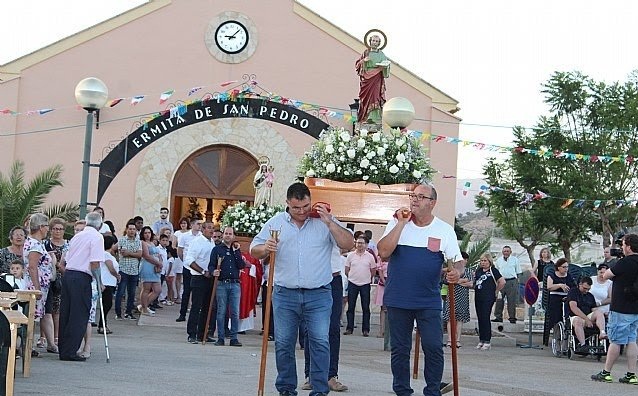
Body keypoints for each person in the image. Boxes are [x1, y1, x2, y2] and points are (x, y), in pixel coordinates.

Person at [250, 182, 354, 396]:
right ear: (287, 203)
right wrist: (266, 248)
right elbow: (254, 249)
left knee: (320, 342)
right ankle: (286, 389)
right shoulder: (275, 223)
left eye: (306, 206)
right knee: (284, 343)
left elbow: (348, 243)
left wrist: (329, 222)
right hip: (284, 293)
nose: (302, 212)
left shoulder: (322, 220)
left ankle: (319, 388)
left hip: (319, 293)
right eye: (296, 207)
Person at [377, 183, 462, 396]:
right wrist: (400, 224)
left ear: (432, 203)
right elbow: (384, 252)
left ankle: (432, 390)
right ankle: (402, 390)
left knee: (433, 347)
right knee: (400, 349)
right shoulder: (396, 223)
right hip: (398, 298)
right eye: (412, 196)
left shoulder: (444, 230)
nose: (414, 200)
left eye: (421, 197)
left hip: (429, 299)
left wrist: (457, 273)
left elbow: (458, 262)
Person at [591, 233, 638, 385]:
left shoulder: (624, 263)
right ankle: (631, 374)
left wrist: (617, 264)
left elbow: (605, 276)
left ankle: (606, 372)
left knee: (616, 341)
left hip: (621, 307)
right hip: (635, 307)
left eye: (623, 245)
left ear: (629, 247)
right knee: (632, 340)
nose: (621, 248)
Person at [302, 245, 350, 393]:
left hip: (333, 277)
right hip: (312, 276)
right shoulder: (306, 223)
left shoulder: (334, 223)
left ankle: (330, 375)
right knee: (310, 329)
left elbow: (347, 244)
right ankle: (311, 375)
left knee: (333, 328)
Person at [58, 212, 103, 362]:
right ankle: (70, 351)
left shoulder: (77, 236)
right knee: (79, 314)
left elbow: (68, 258)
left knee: (67, 312)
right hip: (82, 277)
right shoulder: (97, 237)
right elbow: (95, 262)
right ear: (100, 225)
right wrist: (99, 281)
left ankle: (64, 349)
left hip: (69, 274)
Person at [211, 226, 245, 346]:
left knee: (235, 312)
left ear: (233, 236)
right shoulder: (217, 249)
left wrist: (236, 252)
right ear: (223, 235)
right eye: (226, 233)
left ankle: (233, 337)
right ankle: (220, 337)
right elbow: (211, 265)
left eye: (230, 234)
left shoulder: (236, 250)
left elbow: (241, 265)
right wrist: (213, 271)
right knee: (221, 311)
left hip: (235, 284)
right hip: (222, 284)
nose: (228, 236)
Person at [184, 222, 215, 344]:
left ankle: (203, 333)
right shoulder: (196, 242)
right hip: (199, 278)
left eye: (213, 228)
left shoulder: (212, 243)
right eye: (209, 228)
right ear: (202, 229)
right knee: (196, 306)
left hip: (210, 278)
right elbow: (189, 260)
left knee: (207, 307)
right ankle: (192, 333)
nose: (212, 230)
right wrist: (202, 271)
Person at [343, 235, 376, 337]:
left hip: (365, 284)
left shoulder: (370, 256)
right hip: (353, 283)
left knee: (365, 307)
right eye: (358, 243)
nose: (359, 245)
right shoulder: (350, 256)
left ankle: (365, 330)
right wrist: (352, 277)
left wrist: (367, 278)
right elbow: (346, 270)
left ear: (366, 245)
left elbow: (373, 271)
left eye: (362, 243)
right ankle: (349, 328)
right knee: (350, 307)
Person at [23, 213, 54, 321]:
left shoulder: (35, 243)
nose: (48, 229)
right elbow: (32, 267)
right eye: (47, 226)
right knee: (31, 317)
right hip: (35, 286)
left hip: (40, 284)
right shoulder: (35, 245)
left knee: (37, 315)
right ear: (41, 227)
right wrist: (37, 288)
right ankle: (29, 338)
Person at [355, 34, 390, 124]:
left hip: (377, 78)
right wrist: (363, 61)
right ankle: (365, 117)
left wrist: (384, 66)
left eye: (376, 41)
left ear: (379, 43)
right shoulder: (366, 53)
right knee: (366, 97)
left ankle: (374, 118)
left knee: (375, 96)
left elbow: (386, 65)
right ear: (370, 41)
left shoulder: (381, 54)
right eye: (373, 41)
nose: (374, 43)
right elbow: (357, 65)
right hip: (366, 79)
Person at [473, 253, 505, 350]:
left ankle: (487, 340)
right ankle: (481, 339)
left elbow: (502, 281)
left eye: (485, 261)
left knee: (485, 317)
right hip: (478, 296)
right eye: (481, 261)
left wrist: (496, 290)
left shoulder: (493, 271)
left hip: (488, 297)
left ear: (489, 261)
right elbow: (475, 282)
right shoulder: (478, 271)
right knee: (480, 318)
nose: (483, 262)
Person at [443, 252, 474, 348]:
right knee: (449, 318)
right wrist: (463, 281)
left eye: (464, 260)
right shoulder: (451, 271)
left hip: (463, 297)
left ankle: (457, 340)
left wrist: (457, 281)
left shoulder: (469, 271)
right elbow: (448, 281)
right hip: (452, 296)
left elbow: (470, 284)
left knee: (460, 319)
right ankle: (449, 340)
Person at [568, 276, 607, 352]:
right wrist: (586, 319)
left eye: (588, 289)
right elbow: (573, 308)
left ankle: (602, 332)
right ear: (580, 284)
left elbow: (594, 309)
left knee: (599, 313)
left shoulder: (590, 296)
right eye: (584, 288)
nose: (586, 291)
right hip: (574, 316)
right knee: (578, 320)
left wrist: (601, 315)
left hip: (587, 315)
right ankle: (583, 344)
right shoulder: (573, 292)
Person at [115, 219, 142, 320]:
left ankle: (128, 312)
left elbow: (139, 254)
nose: (131, 231)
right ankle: (118, 313)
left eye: (133, 229)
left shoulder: (138, 241)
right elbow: (123, 253)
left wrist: (129, 253)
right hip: (123, 269)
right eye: (130, 229)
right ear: (127, 229)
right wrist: (133, 254)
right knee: (121, 292)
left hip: (134, 270)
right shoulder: (122, 240)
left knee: (131, 293)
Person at [176, 218, 201, 322]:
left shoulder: (201, 237)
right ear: (192, 225)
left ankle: (196, 314)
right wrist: (186, 261)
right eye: (198, 224)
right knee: (186, 291)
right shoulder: (184, 236)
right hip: (187, 267)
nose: (200, 226)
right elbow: (180, 250)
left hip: (198, 268)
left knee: (197, 291)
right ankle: (182, 313)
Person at [545, 258, 576, 341]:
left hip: (566, 297)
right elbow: (549, 287)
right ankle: (556, 333)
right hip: (555, 297)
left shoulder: (569, 276)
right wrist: (559, 285)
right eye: (564, 267)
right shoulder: (552, 275)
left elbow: (573, 287)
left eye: (567, 267)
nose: (566, 269)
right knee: (556, 314)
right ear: (558, 267)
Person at [492, 245, 522, 324]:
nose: (506, 253)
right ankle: (498, 317)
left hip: (511, 282)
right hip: (501, 281)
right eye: (504, 251)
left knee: (511, 301)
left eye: (507, 251)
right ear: (502, 252)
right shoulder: (498, 260)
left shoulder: (515, 260)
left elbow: (518, 272)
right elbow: (496, 272)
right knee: (499, 300)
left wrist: (517, 282)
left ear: (510, 252)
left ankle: (512, 318)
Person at [137, 226, 163, 316]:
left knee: (157, 289)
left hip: (155, 267)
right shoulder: (143, 243)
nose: (147, 235)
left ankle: (144, 305)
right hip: (147, 266)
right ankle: (144, 308)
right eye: (145, 233)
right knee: (146, 289)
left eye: (149, 233)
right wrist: (158, 263)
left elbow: (158, 254)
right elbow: (146, 256)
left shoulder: (152, 243)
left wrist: (160, 262)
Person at [99, 235, 120, 335]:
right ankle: (102, 325)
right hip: (106, 282)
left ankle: (102, 324)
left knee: (107, 304)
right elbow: (110, 268)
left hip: (109, 282)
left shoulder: (108, 255)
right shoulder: (106, 255)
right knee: (106, 304)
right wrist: (117, 275)